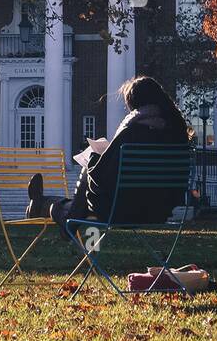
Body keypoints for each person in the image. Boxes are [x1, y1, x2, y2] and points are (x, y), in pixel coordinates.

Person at [26, 75, 191, 227]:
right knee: (83, 194)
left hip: (120, 211)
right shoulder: (178, 134)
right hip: (159, 211)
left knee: (90, 164)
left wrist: (93, 158)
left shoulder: (132, 133)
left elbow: (102, 177)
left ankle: (54, 209)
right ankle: (52, 207)